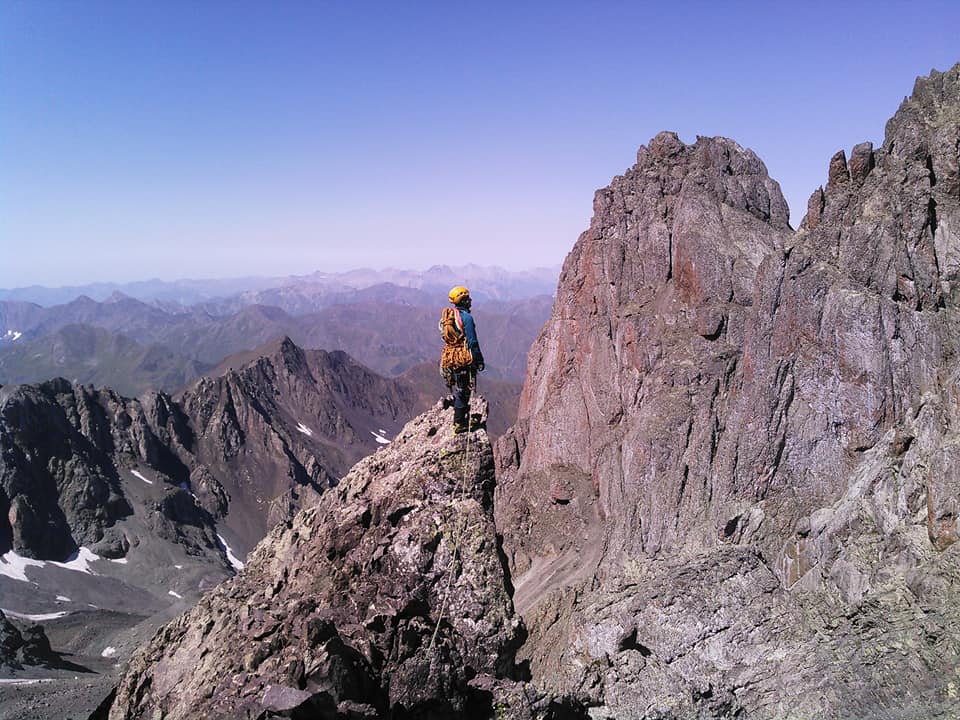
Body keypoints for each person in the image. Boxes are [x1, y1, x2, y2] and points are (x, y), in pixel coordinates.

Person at [446, 285, 485, 433]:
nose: (470, 301)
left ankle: (461, 417)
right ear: (462, 301)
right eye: (467, 299)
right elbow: (472, 341)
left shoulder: (450, 315)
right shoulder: (466, 318)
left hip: (452, 358)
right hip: (464, 359)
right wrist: (479, 359)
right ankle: (459, 423)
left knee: (461, 388)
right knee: (464, 390)